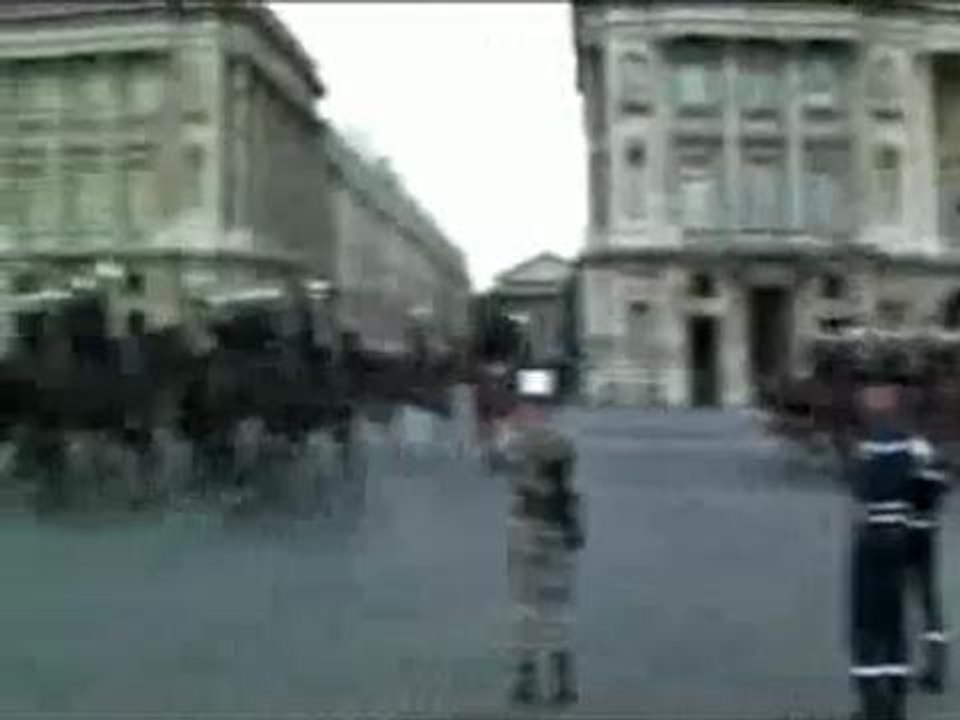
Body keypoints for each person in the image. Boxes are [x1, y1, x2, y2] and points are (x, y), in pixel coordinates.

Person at [846, 361, 921, 720]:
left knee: (866, 622)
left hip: (873, 534)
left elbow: (858, 486)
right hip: (903, 534)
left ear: (885, 397)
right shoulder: (913, 442)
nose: (864, 398)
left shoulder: (870, 443)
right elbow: (930, 485)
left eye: (871, 391)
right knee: (894, 623)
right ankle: (896, 701)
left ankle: (873, 704)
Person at [505, 371, 584, 706]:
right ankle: (563, 680)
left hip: (526, 524)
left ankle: (526, 677)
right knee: (558, 605)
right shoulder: (563, 440)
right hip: (557, 524)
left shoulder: (518, 439)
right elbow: (568, 476)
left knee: (526, 603)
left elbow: (501, 463)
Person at [905, 431, 951, 693]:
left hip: (905, 538)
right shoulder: (935, 478)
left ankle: (897, 664)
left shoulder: (908, 477)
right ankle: (936, 667)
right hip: (927, 539)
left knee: (897, 601)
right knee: (929, 602)